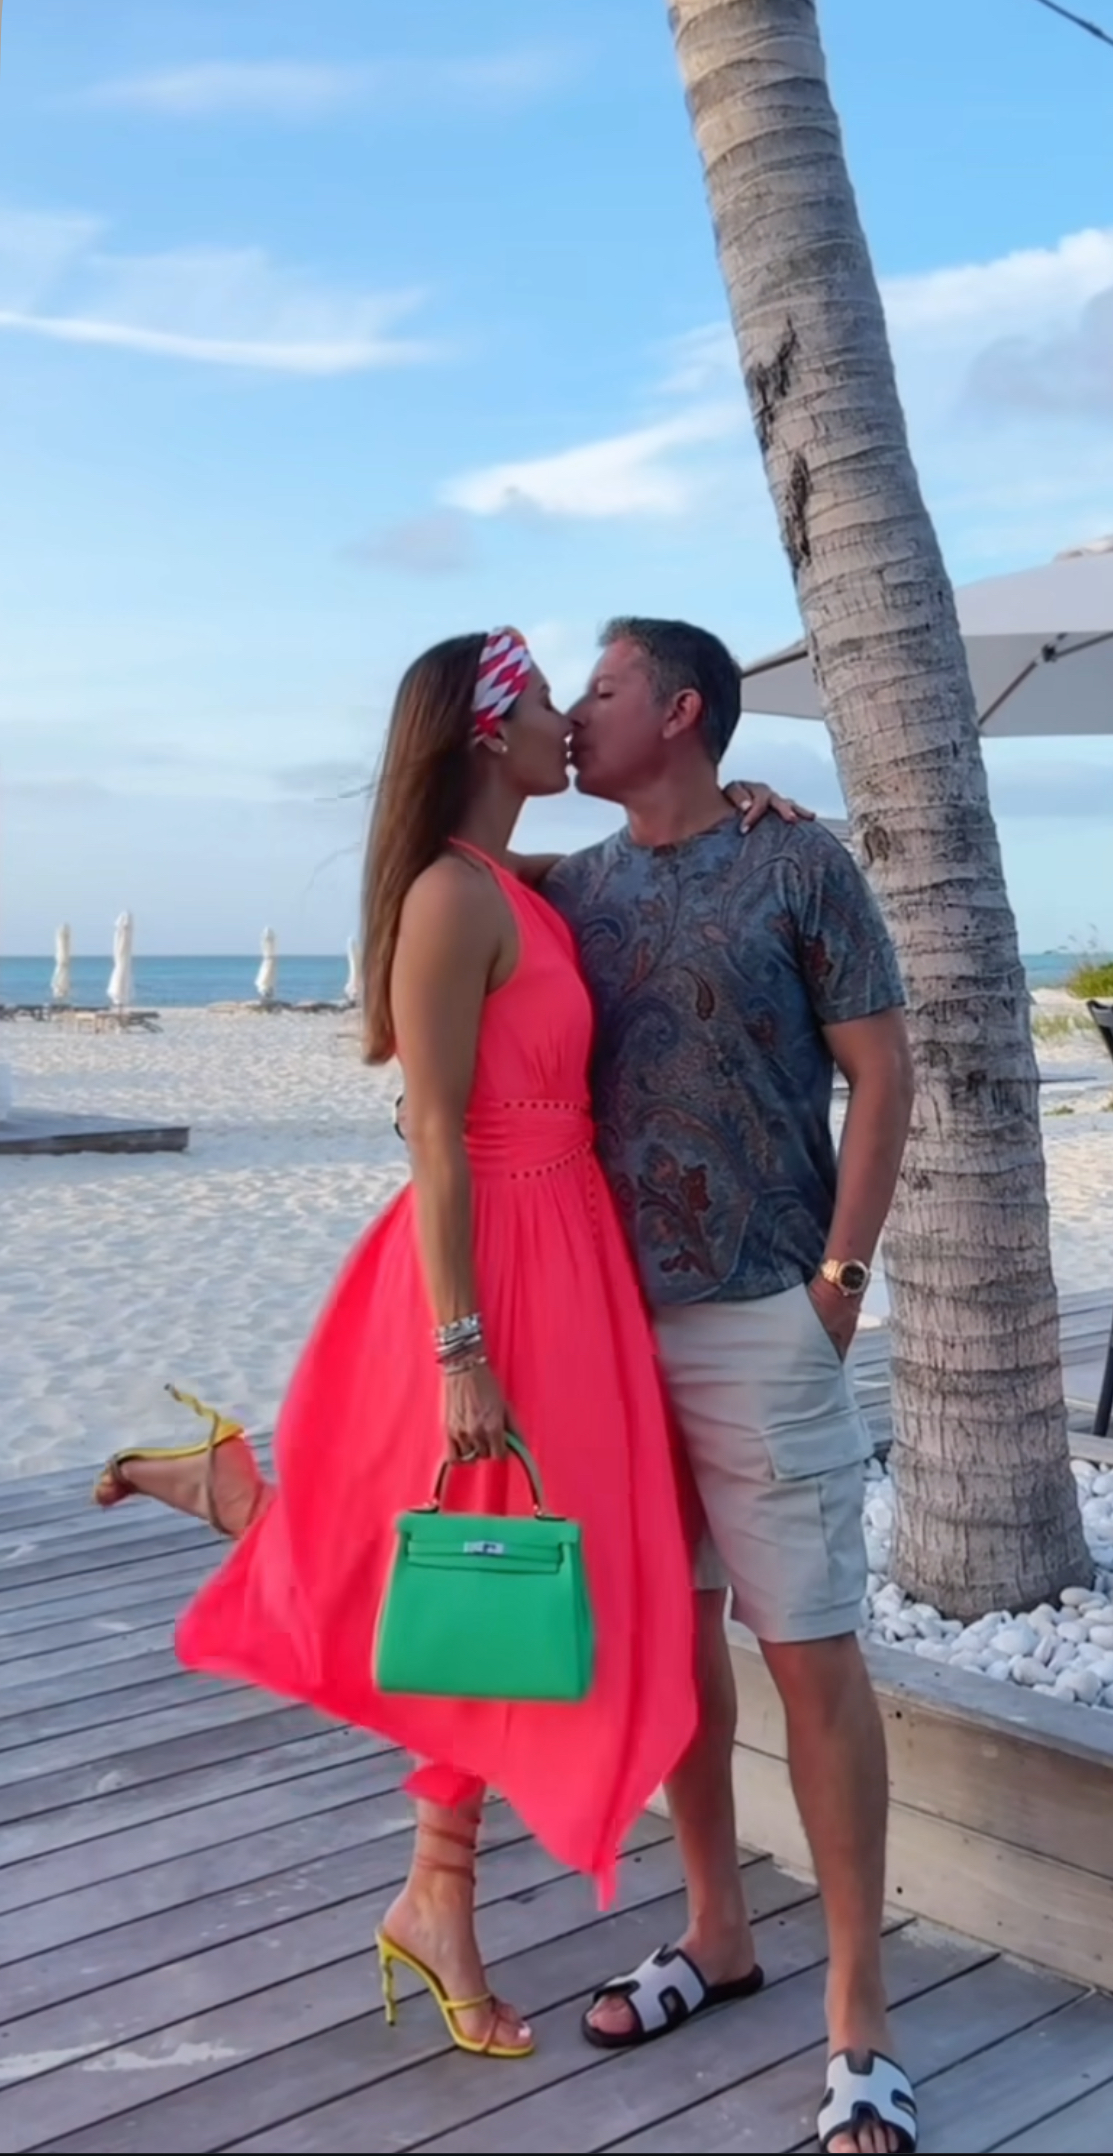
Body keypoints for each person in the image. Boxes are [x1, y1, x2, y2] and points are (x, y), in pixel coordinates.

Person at [92, 627, 796, 2065]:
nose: (564, 723)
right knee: (485, 1562)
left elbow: (615, 864)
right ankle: (434, 1892)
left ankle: (247, 1511)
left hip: (569, 1254)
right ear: (488, 734)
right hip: (493, 1271)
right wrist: (461, 1345)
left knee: (509, 1569)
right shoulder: (447, 898)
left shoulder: (508, 882)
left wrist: (745, 809)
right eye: (541, 703)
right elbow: (431, 1129)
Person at [520, 618, 917, 2156]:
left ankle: (860, 2016)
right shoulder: (568, 887)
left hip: (765, 1312)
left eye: (602, 688)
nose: (575, 713)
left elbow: (881, 1071)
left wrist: (839, 1282)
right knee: (673, 1641)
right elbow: (432, 843)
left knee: (810, 1651)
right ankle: (716, 1932)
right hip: (610, 1335)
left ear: (680, 711)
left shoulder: (798, 861)